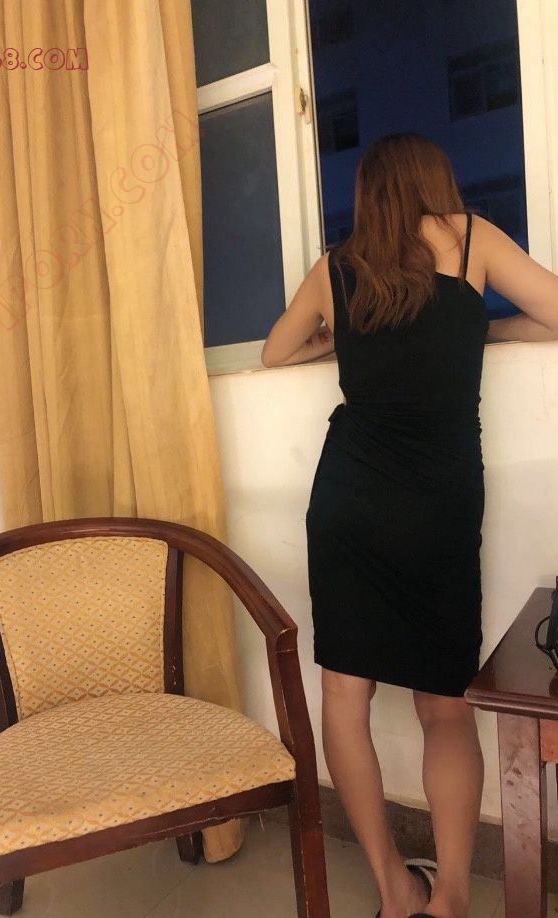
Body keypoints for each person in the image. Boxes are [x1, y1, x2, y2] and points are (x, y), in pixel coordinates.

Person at [261, 132, 558, 918]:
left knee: (345, 695)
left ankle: (396, 892)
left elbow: (274, 351)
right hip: (439, 504)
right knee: (444, 703)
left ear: (368, 192)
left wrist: (337, 336)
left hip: (348, 500)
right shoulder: (472, 240)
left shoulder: (338, 267)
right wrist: (481, 327)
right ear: (435, 179)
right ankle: (451, 896)